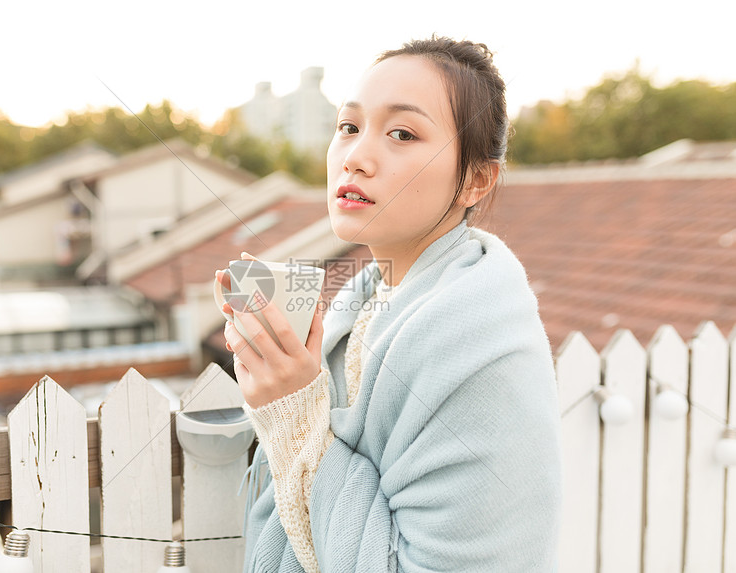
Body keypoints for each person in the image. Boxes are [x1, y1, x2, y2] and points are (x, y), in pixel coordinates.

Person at [215, 36, 562, 572]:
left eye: (402, 133)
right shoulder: (367, 301)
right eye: (349, 127)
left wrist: (295, 410)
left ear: (474, 179)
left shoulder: (480, 346)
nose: (355, 157)